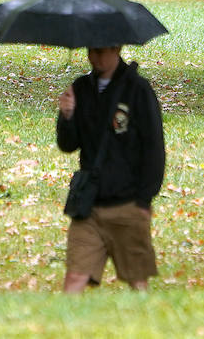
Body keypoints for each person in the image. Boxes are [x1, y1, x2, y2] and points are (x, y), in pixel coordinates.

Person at [56, 45, 165, 293]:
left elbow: (153, 148)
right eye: (91, 51)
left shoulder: (137, 90)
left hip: (127, 203)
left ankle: (148, 318)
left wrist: (144, 199)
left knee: (137, 280)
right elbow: (68, 144)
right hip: (89, 206)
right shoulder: (81, 89)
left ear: (117, 49)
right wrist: (67, 116)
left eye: (101, 51)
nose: (95, 58)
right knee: (75, 276)